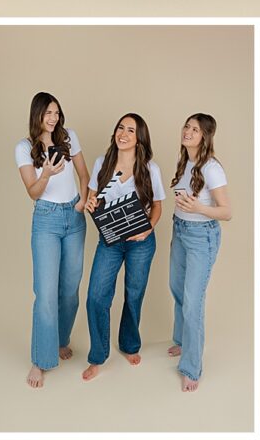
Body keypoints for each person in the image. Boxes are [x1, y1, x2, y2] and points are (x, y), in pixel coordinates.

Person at [15, 92, 89, 388]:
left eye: (57, 112)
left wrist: (82, 202)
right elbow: (33, 192)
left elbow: (84, 175)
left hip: (73, 217)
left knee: (70, 290)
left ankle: (59, 340)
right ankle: (40, 359)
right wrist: (45, 172)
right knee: (45, 293)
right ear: (37, 115)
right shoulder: (24, 148)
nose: (53, 118)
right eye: (48, 112)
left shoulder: (69, 137)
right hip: (45, 218)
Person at [82, 113, 164, 381]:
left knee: (134, 294)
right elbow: (93, 198)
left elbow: (158, 206)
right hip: (110, 240)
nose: (123, 134)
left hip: (141, 243)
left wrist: (148, 229)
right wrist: (90, 203)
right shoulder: (101, 163)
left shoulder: (150, 168)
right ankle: (97, 356)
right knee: (96, 295)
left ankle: (129, 345)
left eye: (130, 130)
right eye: (120, 127)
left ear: (139, 138)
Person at [168, 113, 231, 392]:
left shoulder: (212, 168)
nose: (187, 131)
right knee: (178, 290)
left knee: (193, 301)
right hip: (179, 229)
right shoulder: (186, 162)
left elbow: (227, 211)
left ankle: (191, 367)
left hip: (201, 236)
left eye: (194, 129)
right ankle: (182, 341)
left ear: (205, 135)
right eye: (186, 126)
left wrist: (198, 209)